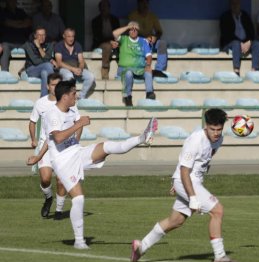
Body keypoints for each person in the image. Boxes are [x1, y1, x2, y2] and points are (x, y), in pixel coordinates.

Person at [27, 79, 158, 249]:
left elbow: (51, 139)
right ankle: (79, 241)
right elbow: (57, 137)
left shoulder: (71, 110)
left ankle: (142, 137)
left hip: (76, 152)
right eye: (74, 93)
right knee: (79, 198)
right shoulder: (52, 114)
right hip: (64, 162)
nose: (77, 96)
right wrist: (79, 124)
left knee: (107, 146)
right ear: (65, 96)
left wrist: (38, 157)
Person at [131, 108, 234, 262]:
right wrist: (190, 195)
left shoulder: (219, 139)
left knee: (176, 221)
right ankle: (220, 256)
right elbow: (184, 170)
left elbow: (208, 155)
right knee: (217, 210)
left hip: (190, 182)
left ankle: (141, 246)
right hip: (186, 181)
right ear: (206, 125)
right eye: (212, 129)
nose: (216, 133)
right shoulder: (195, 140)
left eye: (219, 130)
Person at [29, 73, 67, 219]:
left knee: (61, 179)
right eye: (53, 84)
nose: (55, 87)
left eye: (58, 84)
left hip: (62, 147)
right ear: (47, 86)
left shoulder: (66, 101)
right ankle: (48, 198)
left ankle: (58, 210)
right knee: (45, 179)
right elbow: (32, 122)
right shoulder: (41, 103)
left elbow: (76, 121)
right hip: (45, 146)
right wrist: (33, 139)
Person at [112, 21, 155, 106]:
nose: (133, 31)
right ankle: (128, 97)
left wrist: (148, 65)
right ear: (129, 31)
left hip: (139, 69)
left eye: (135, 29)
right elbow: (114, 33)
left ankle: (149, 94)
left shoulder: (143, 41)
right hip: (125, 69)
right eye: (131, 29)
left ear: (138, 31)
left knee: (148, 72)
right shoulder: (124, 39)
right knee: (128, 73)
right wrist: (128, 26)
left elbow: (149, 56)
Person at [219, 0, 259, 76]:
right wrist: (240, 43)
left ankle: (254, 70)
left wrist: (249, 42)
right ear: (230, 5)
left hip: (245, 42)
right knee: (236, 43)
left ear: (240, 4)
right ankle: (236, 70)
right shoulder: (225, 16)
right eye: (233, 4)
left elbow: (252, 31)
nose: (235, 5)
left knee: (257, 44)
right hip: (230, 43)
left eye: (237, 3)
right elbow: (226, 34)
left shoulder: (245, 15)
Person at [128, 0, 168, 76]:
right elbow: (131, 32)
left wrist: (155, 37)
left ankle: (159, 70)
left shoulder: (152, 16)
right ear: (138, 4)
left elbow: (159, 31)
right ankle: (140, 70)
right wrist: (143, 38)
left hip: (150, 41)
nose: (144, 5)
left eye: (146, 3)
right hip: (138, 41)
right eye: (142, 3)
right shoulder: (132, 15)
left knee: (162, 43)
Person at [54, 28, 95, 99]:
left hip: (76, 68)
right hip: (64, 68)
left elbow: (81, 61)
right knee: (69, 77)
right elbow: (59, 62)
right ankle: (70, 96)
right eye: (69, 36)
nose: (71, 38)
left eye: (73, 36)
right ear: (64, 36)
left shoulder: (77, 45)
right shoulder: (59, 45)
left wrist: (80, 69)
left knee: (91, 76)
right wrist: (73, 69)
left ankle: (81, 96)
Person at [22, 27, 56, 97]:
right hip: (31, 69)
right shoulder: (28, 44)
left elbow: (48, 58)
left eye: (43, 35)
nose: (41, 37)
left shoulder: (49, 44)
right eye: (39, 35)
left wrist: (39, 48)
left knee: (44, 73)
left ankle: (43, 98)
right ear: (35, 36)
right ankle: (54, 93)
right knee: (48, 65)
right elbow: (35, 61)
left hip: (44, 69)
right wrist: (49, 60)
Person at [91, 0, 120, 80]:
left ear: (109, 8)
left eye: (106, 7)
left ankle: (122, 69)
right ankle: (105, 69)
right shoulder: (95, 21)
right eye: (102, 7)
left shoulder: (115, 19)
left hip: (113, 42)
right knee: (107, 46)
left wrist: (116, 42)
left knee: (123, 44)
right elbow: (97, 36)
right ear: (99, 9)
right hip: (101, 43)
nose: (104, 9)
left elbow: (118, 33)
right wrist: (110, 42)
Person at [0, 0, 32, 72]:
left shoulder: (20, 12)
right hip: (8, 41)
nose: (13, 2)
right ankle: (4, 72)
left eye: (14, 1)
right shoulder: (2, 12)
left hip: (21, 41)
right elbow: (7, 23)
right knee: (4, 48)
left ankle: (29, 70)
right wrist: (21, 23)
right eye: (11, 1)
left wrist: (15, 24)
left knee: (31, 47)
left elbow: (28, 22)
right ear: (7, 2)